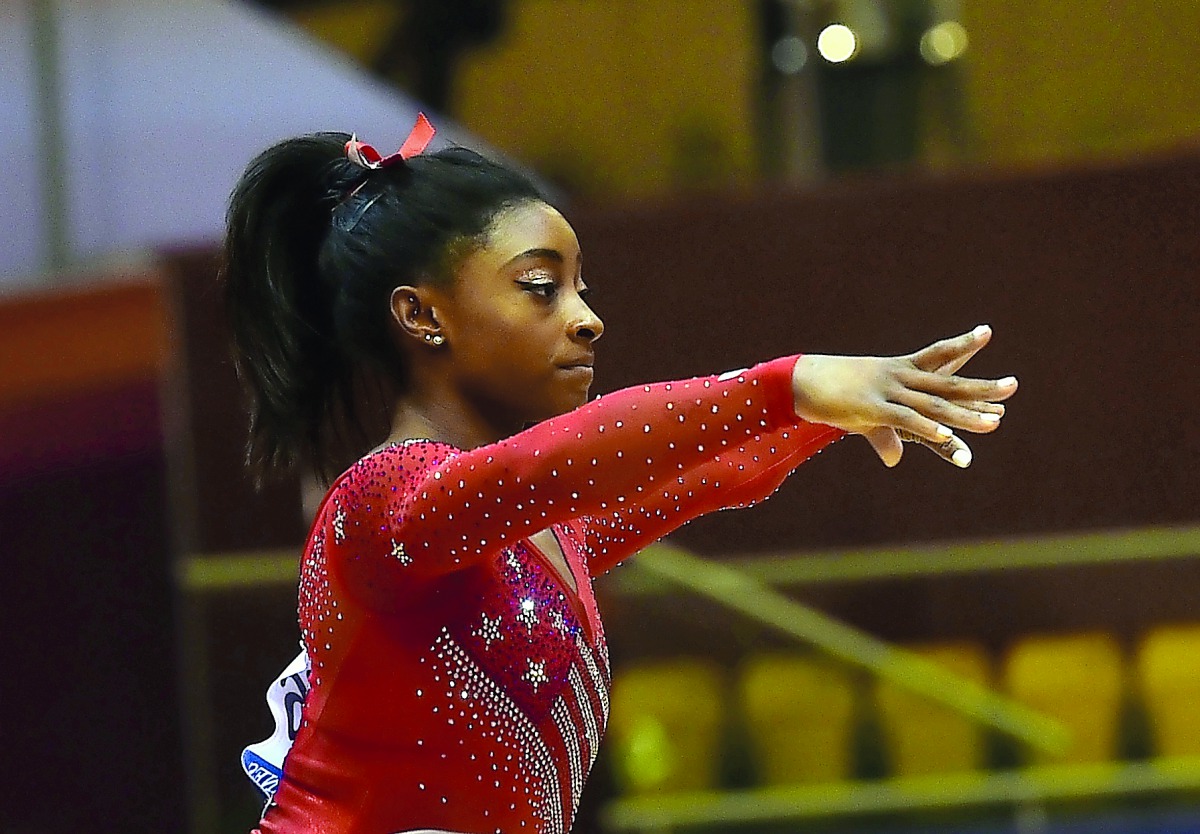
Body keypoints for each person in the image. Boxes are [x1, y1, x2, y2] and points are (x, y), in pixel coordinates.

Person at [222, 114, 1016, 834]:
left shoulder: (530, 532)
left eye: (581, 287)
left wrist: (821, 419)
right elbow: (571, 458)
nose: (586, 316)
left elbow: (708, 476)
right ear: (422, 315)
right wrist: (790, 384)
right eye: (540, 288)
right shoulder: (385, 501)